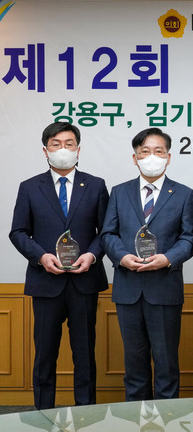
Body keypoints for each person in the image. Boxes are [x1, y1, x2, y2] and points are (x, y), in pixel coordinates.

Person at [9, 122, 109, 409]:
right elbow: (18, 232)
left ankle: (86, 415)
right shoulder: (30, 187)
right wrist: (41, 257)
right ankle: (43, 415)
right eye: (56, 144)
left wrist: (92, 255)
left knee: (85, 355)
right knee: (44, 355)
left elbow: (106, 232)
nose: (62, 149)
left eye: (69, 144)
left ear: (78, 149)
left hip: (84, 282)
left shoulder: (95, 185)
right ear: (45, 150)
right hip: (45, 283)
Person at [101, 127, 193, 401]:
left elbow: (189, 237)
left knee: (166, 364)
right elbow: (108, 234)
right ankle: (137, 417)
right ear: (135, 158)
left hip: (165, 288)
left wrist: (167, 258)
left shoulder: (183, 193)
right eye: (145, 151)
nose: (152, 156)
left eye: (158, 151)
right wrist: (122, 257)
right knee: (134, 364)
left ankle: (168, 417)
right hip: (128, 288)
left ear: (168, 157)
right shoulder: (119, 192)